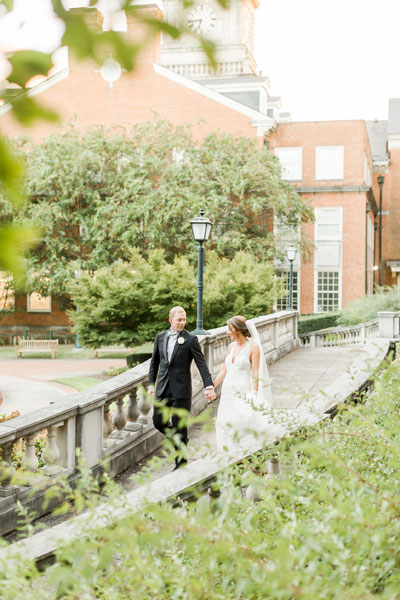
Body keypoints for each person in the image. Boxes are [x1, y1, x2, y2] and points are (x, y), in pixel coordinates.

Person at [148, 306, 216, 469]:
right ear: (171, 320)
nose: (182, 322)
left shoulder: (190, 339)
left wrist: (209, 385)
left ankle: (181, 462)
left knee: (179, 425)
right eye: (179, 320)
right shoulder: (160, 337)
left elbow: (201, 363)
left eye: (184, 319)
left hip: (181, 390)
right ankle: (180, 441)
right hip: (163, 388)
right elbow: (154, 362)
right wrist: (151, 384)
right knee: (158, 421)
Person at [214, 315, 273, 455]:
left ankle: (243, 454)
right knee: (225, 423)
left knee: (242, 424)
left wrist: (254, 393)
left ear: (237, 329)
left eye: (229, 329)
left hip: (243, 393)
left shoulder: (253, 347)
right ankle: (227, 454)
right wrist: (212, 386)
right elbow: (224, 370)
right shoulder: (231, 347)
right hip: (227, 393)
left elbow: (256, 372)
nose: (227, 332)